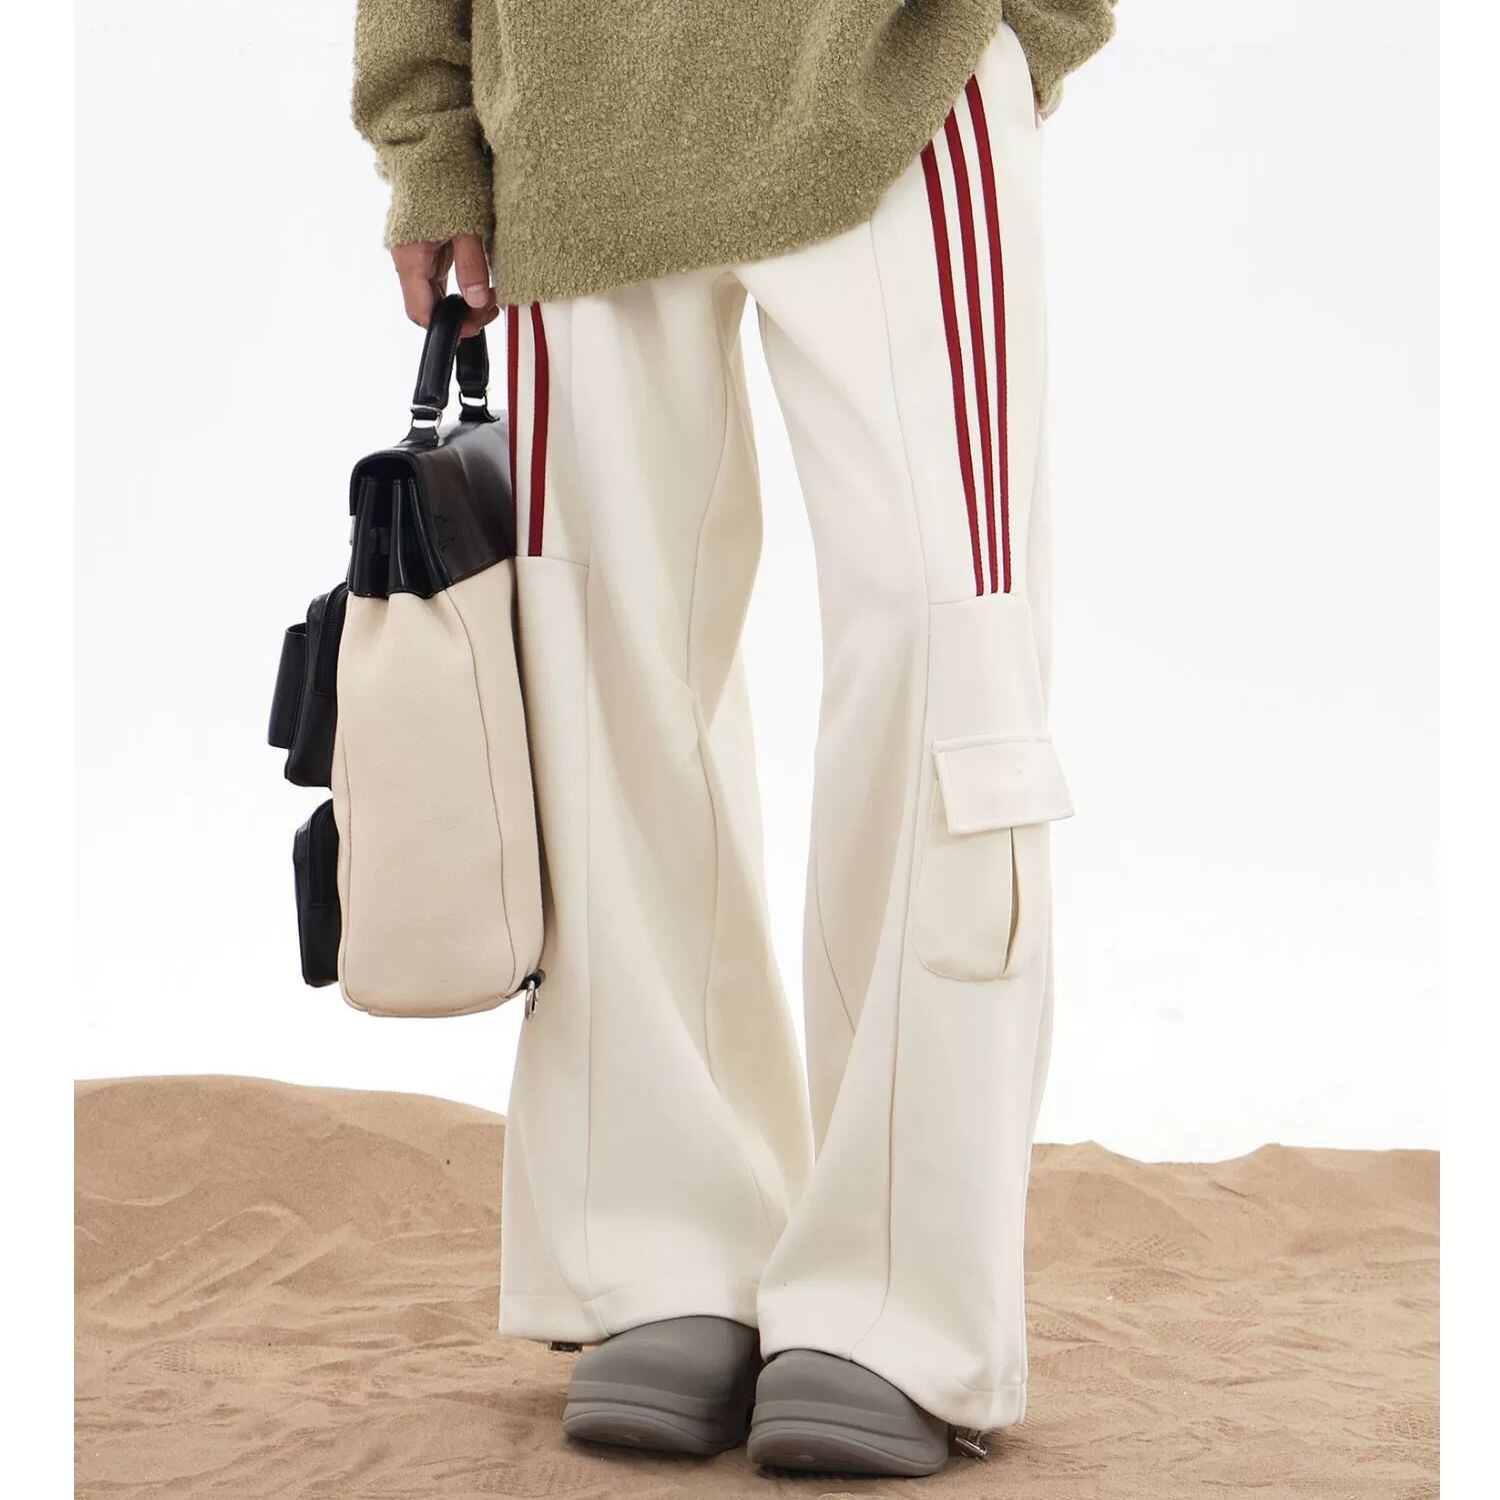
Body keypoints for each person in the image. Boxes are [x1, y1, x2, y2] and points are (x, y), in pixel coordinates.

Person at [353, 0, 1113, 1478]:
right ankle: (666, 1250)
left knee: (947, 662)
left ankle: (900, 1300)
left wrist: (1023, 29)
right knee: (601, 684)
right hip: (571, 107)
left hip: (898, 65)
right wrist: (429, 129)